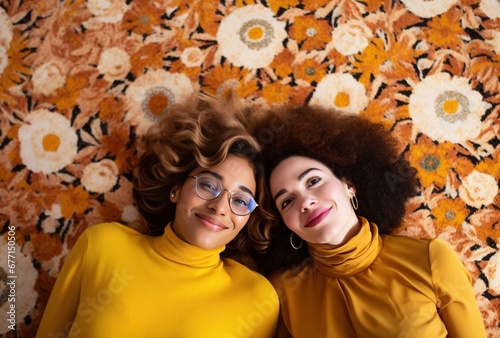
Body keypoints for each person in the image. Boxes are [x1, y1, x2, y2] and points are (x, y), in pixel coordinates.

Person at [36, 93, 279, 338]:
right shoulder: (102, 245)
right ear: (176, 189)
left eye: (240, 201)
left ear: (248, 218)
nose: (220, 207)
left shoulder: (258, 297)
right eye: (208, 185)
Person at [251, 104, 486, 337]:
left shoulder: (431, 259)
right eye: (287, 201)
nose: (305, 202)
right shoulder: (283, 291)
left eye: (313, 181)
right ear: (284, 223)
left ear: (349, 186)